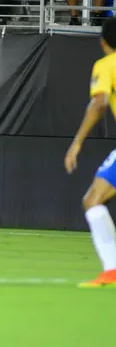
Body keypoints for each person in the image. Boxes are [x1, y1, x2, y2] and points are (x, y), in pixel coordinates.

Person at [65, 18, 116, 287]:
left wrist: (77, 142)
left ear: (103, 41)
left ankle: (112, 270)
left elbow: (99, 103)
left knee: (93, 200)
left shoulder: (107, 65)